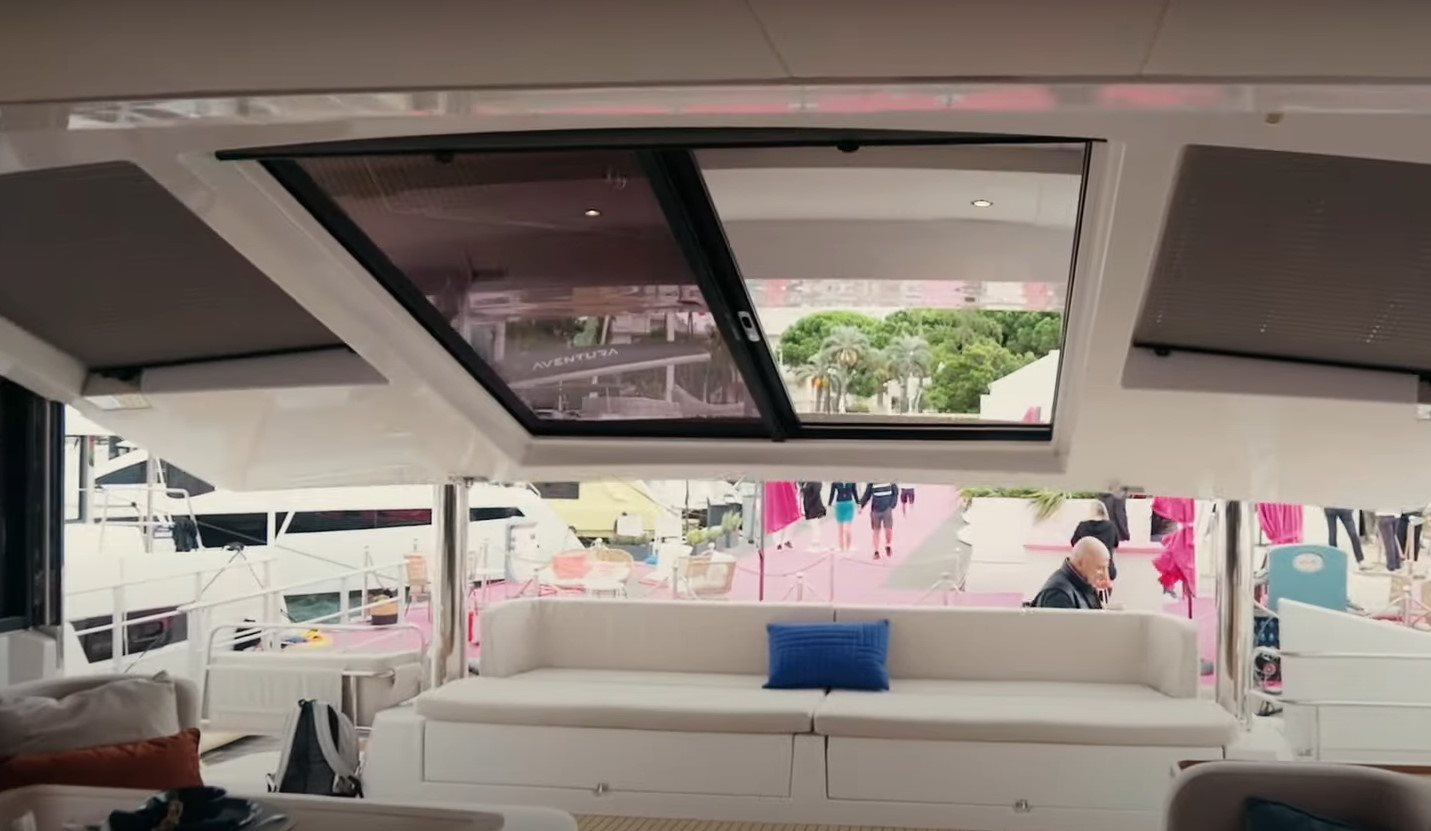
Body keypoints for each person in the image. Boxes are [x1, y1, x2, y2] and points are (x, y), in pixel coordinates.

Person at [1029, 537, 1110, 609]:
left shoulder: (1084, 584)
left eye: (1106, 568)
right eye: (1099, 568)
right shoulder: (1058, 595)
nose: (1105, 576)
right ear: (1080, 563)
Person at [1070, 502, 1120, 582]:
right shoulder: (1111, 526)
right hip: (1106, 570)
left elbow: (1074, 543)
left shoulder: (1082, 526)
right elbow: (1116, 544)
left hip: (1086, 571)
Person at [859, 482, 900, 559]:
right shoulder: (872, 483)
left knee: (888, 529)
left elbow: (895, 492)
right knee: (876, 530)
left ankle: (888, 544)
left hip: (887, 508)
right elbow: (867, 495)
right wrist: (861, 506)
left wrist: (892, 505)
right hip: (875, 509)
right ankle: (876, 551)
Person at [828, 482, 859, 552]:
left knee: (847, 530)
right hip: (839, 505)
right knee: (840, 530)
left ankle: (848, 548)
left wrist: (858, 504)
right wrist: (829, 504)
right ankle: (841, 549)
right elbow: (832, 493)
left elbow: (855, 492)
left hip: (849, 505)